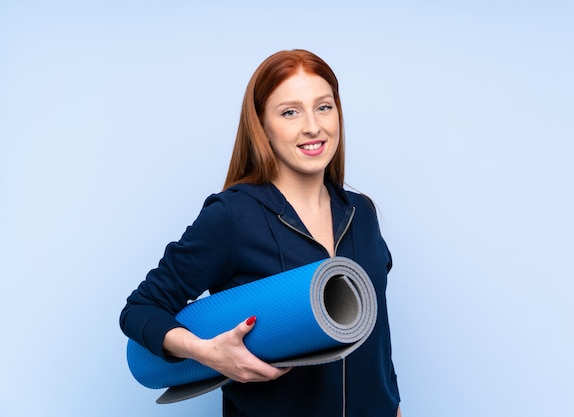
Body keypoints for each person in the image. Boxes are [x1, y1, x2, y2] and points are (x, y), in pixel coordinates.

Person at [120, 49, 402, 417]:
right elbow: (140, 309)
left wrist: (394, 405)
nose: (313, 126)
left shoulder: (361, 212)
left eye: (323, 107)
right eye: (290, 112)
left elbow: (376, 333)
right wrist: (207, 352)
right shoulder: (233, 216)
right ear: (262, 126)